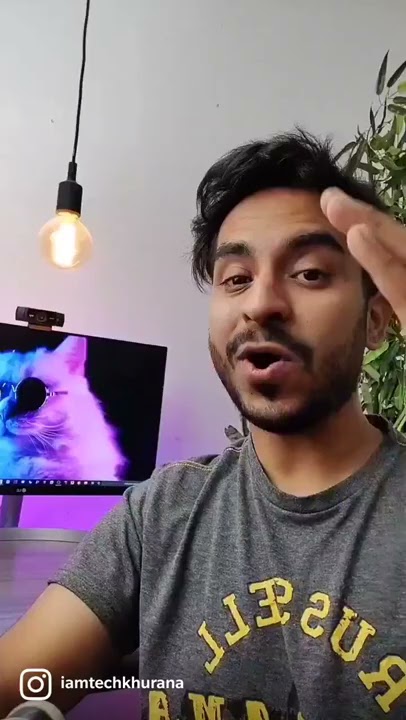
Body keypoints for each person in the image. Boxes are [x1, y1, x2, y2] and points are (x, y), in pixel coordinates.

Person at [1, 130, 405, 720]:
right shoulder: (162, 513)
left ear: (377, 320)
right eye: (235, 278)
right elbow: (19, 681)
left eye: (309, 273)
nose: (260, 303)